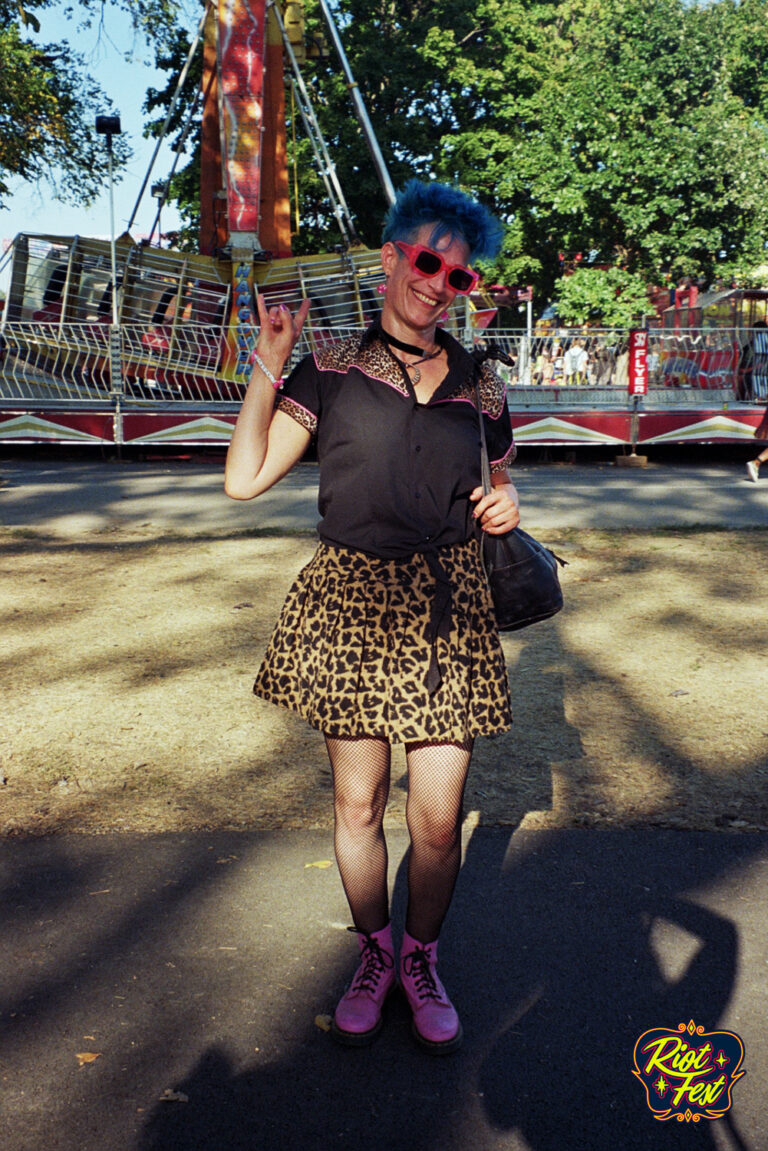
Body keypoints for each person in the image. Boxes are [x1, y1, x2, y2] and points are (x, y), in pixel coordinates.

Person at [224, 179, 519, 1054]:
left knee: (434, 820)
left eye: (458, 276)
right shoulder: (334, 371)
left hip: (448, 610)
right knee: (359, 807)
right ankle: (372, 952)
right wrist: (270, 362)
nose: (437, 284)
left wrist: (504, 509)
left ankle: (420, 955)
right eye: (426, 261)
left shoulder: (481, 381)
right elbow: (243, 478)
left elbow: (504, 486)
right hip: (351, 604)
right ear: (391, 257)